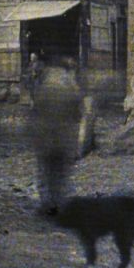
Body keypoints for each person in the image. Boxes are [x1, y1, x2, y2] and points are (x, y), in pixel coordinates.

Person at [29, 59, 85, 212]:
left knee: (46, 171)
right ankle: (58, 201)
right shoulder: (71, 89)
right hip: (63, 139)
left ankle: (48, 202)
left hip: (46, 139)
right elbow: (79, 114)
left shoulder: (43, 89)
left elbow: (35, 113)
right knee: (60, 173)